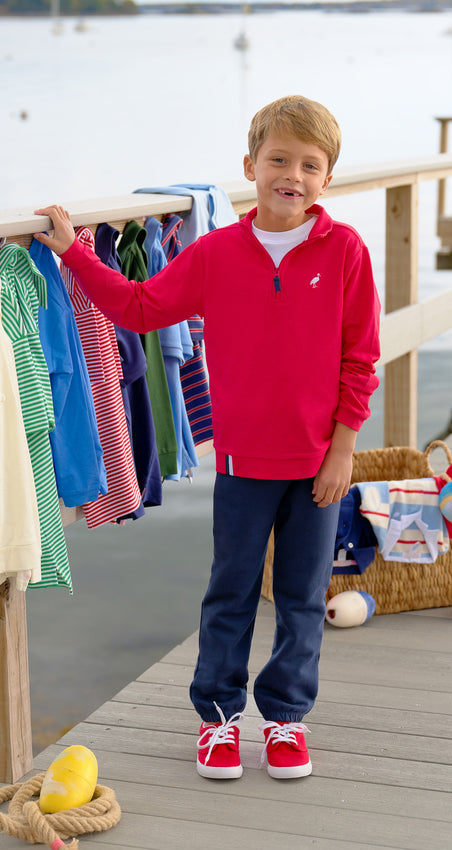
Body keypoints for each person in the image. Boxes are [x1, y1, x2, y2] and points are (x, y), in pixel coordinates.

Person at [34, 94, 380, 781]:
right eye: (279, 159)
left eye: (310, 165)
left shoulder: (344, 252)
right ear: (249, 166)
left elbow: (360, 357)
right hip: (246, 464)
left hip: (319, 464)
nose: (293, 174)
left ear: (327, 179)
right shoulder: (218, 253)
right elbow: (139, 307)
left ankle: (285, 719)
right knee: (231, 591)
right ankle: (219, 721)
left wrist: (343, 449)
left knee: (306, 595)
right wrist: (76, 253)